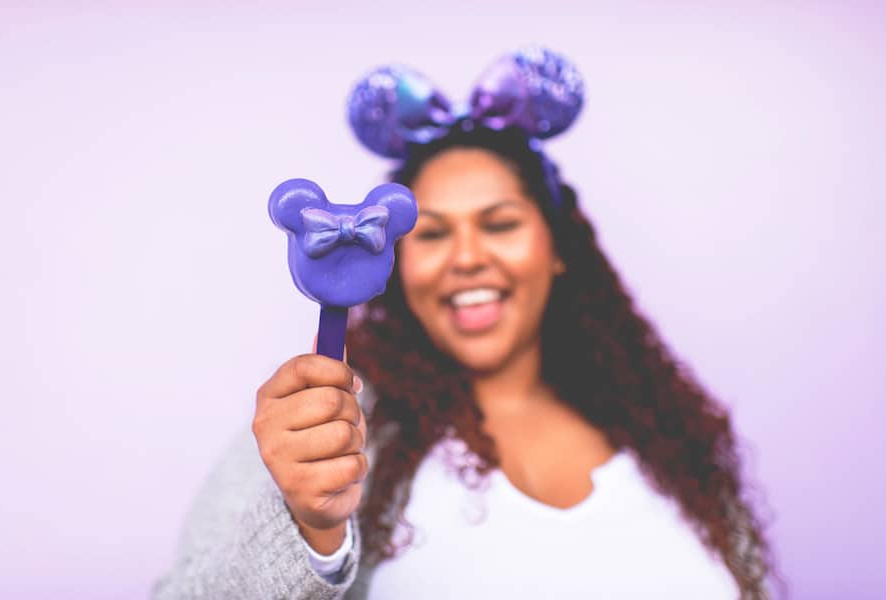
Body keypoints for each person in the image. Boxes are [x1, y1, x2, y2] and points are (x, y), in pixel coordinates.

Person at [153, 48, 775, 599]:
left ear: (557, 246)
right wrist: (311, 528)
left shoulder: (665, 433)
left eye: (500, 224)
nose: (469, 256)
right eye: (433, 233)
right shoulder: (327, 428)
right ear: (396, 256)